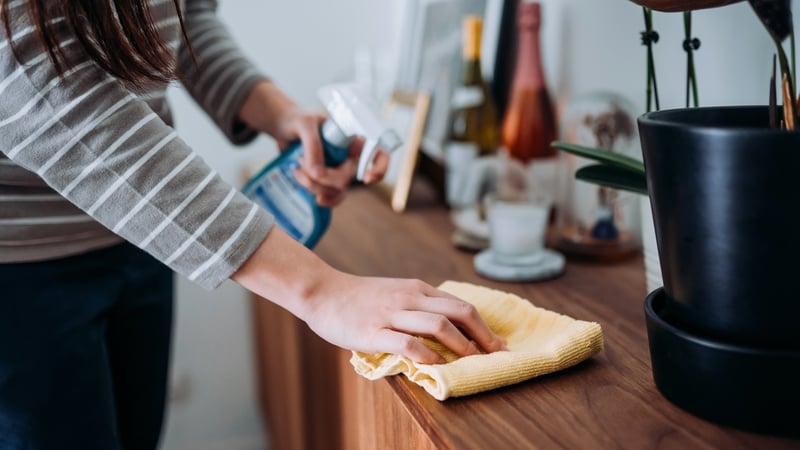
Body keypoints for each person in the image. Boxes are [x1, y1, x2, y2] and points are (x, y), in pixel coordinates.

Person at [0, 1, 506, 449]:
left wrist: (277, 113)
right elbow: (39, 89)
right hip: (22, 273)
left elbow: (180, 17)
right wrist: (321, 291)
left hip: (142, 238)